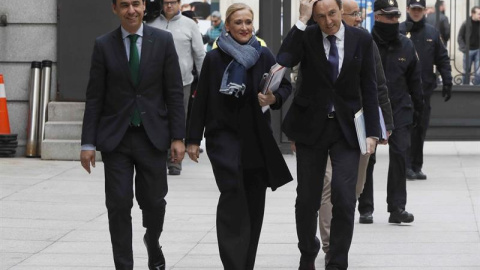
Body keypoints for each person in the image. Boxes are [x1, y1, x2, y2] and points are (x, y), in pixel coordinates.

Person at [80, 0, 185, 269]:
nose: (131, 10)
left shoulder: (162, 41)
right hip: (117, 138)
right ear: (114, 9)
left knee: (154, 202)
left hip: (152, 137)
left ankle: (152, 239)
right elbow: (94, 97)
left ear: (144, 7)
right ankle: (124, 264)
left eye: (136, 3)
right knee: (118, 203)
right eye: (124, 5)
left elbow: (174, 92)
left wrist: (178, 137)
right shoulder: (104, 45)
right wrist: (88, 143)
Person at [186, 4, 293, 269]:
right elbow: (201, 101)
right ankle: (233, 264)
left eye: (248, 22)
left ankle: (246, 263)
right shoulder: (214, 58)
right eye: (238, 23)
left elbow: (286, 85)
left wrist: (273, 97)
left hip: (256, 140)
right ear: (227, 26)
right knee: (233, 198)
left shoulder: (264, 54)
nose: (244, 27)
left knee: (254, 206)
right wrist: (191, 138)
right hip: (224, 138)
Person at [277, 0, 381, 268]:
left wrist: (372, 132)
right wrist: (302, 19)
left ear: (340, 11)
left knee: (345, 197)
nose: (328, 21)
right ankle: (308, 251)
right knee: (307, 199)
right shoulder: (307, 36)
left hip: (346, 129)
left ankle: (337, 261)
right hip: (311, 128)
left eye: (332, 14)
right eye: (321, 16)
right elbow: (284, 59)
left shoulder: (361, 39)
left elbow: (369, 86)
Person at [317, 0, 394, 259]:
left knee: (353, 189)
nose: (359, 19)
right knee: (328, 184)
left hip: (359, 126)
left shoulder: (364, 41)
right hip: (326, 127)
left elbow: (377, 85)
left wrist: (385, 125)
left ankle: (338, 237)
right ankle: (331, 247)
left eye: (358, 14)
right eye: (353, 14)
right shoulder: (317, 41)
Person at [371, 0, 423, 225]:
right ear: (377, 17)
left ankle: (397, 207)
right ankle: (365, 208)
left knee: (400, 155)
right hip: (371, 109)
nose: (393, 21)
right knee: (367, 158)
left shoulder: (406, 45)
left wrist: (418, 108)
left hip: (400, 108)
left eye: (396, 17)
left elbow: (415, 80)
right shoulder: (365, 42)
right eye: (388, 16)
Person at [148, 0, 206, 175]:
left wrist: (204, 82)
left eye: (172, 2)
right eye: (165, 2)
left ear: (179, 3)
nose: (169, 6)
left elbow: (199, 54)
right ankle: (157, 156)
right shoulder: (151, 23)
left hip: (182, 81)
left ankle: (174, 160)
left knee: (179, 118)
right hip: (153, 83)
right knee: (156, 118)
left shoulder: (189, 25)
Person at [400, 0, 453, 180]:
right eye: (413, 9)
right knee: (406, 128)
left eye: (419, 9)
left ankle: (416, 165)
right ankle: (406, 165)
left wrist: (447, 80)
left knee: (420, 129)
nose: (416, 12)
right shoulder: (399, 31)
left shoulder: (432, 32)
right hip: (402, 91)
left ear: (424, 11)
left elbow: (442, 58)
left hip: (424, 90)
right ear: (407, 9)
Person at [458, 6, 480, 85]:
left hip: (478, 50)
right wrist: (464, 48)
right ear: (473, 14)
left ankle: (477, 88)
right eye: (479, 14)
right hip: (468, 50)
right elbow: (460, 36)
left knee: (478, 71)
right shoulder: (466, 23)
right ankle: (465, 87)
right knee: (466, 71)